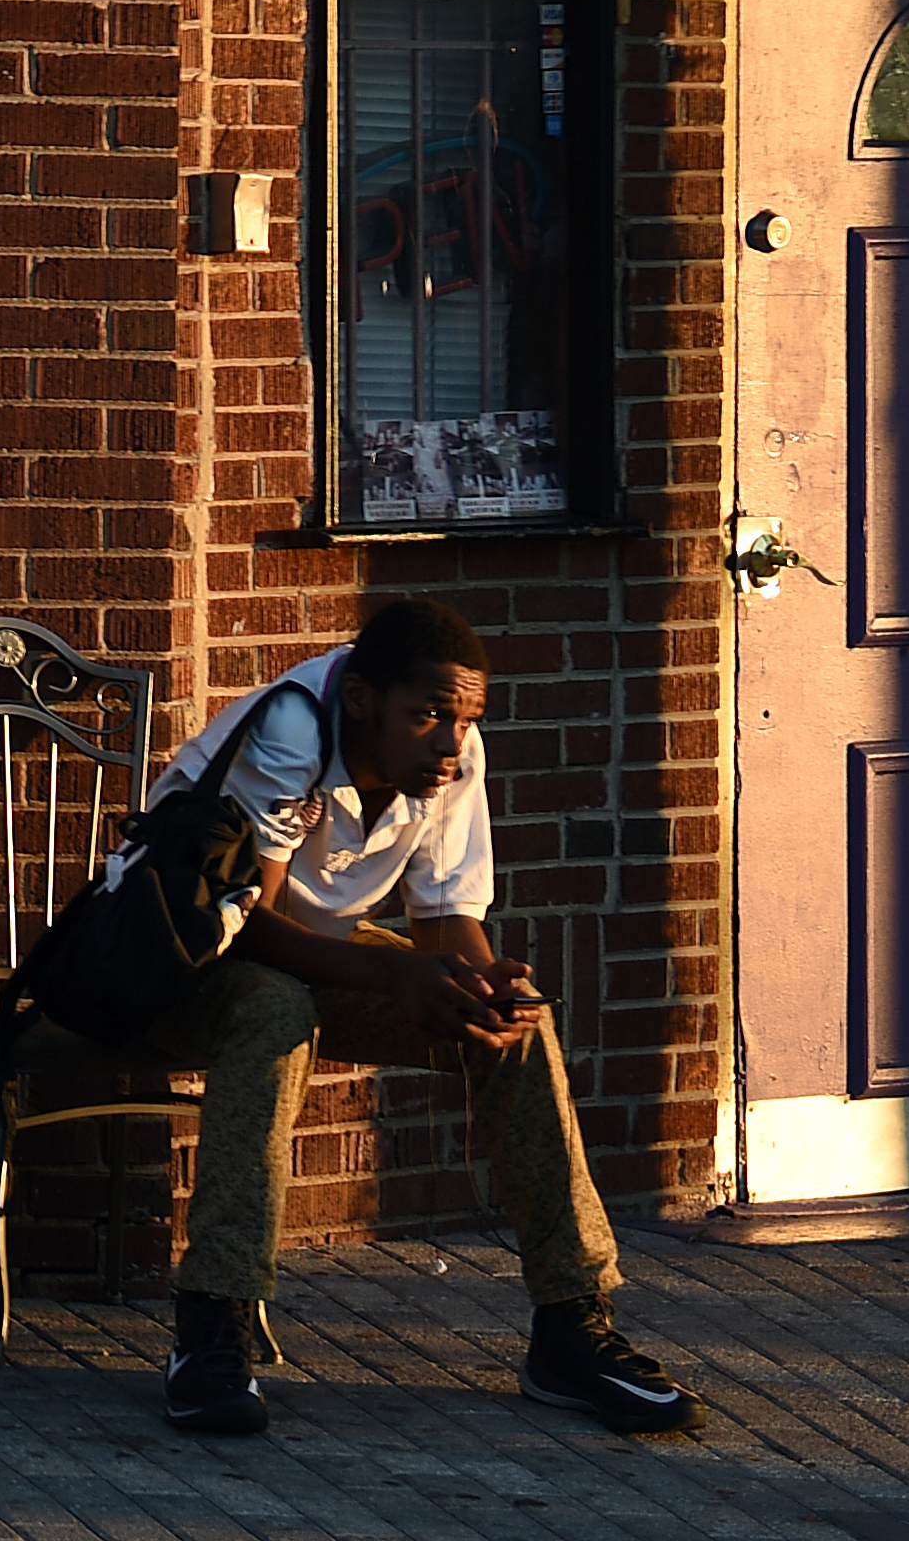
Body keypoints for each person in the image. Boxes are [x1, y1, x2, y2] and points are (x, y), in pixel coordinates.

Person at [131, 597, 701, 1440]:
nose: (449, 741)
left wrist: (482, 982)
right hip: (178, 954)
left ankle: (571, 1329)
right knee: (274, 1008)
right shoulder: (291, 732)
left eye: (464, 718)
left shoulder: (452, 751)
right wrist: (393, 971)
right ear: (360, 699)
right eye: (428, 715)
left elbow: (443, 919)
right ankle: (212, 1324)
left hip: (318, 951)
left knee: (518, 1024)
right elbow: (250, 924)